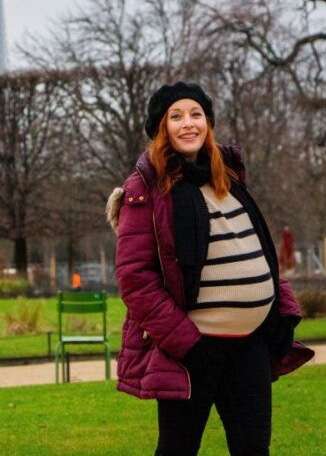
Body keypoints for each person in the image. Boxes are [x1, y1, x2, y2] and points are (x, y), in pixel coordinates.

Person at [106, 82, 313, 455]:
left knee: (253, 449)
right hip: (193, 351)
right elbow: (135, 279)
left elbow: (261, 252)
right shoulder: (146, 189)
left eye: (196, 114)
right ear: (161, 129)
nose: (189, 124)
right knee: (178, 450)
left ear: (208, 123)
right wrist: (188, 344)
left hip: (248, 347)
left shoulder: (228, 179)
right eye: (177, 116)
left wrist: (283, 309)